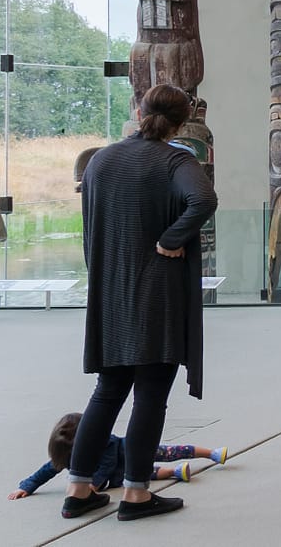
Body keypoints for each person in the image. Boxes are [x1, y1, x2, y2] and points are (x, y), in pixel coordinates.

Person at [60, 84, 216, 522]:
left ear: (138, 109)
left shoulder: (101, 160)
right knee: (150, 391)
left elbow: (92, 225)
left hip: (110, 291)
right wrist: (170, 240)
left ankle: (78, 488)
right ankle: (136, 494)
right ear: (182, 123)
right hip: (155, 292)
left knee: (108, 390)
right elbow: (203, 198)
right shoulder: (175, 160)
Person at [10, 413, 228, 499]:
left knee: (170, 452)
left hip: (133, 450)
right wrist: (27, 486)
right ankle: (177, 472)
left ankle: (210, 453)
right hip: (122, 475)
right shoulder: (68, 456)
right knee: (150, 474)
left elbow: (107, 464)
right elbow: (48, 469)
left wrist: (93, 484)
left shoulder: (107, 443)